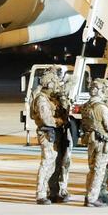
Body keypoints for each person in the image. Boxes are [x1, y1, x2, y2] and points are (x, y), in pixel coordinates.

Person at [31, 75, 72, 204]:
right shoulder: (41, 100)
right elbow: (46, 119)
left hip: (55, 134)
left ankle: (53, 192)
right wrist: (59, 121)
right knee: (47, 163)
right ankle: (41, 194)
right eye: (54, 84)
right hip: (47, 134)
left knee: (55, 164)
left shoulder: (50, 98)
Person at [83, 80, 108, 206]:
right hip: (102, 143)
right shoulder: (102, 107)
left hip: (91, 141)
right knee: (99, 171)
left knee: (92, 169)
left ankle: (88, 195)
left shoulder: (86, 106)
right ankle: (92, 198)